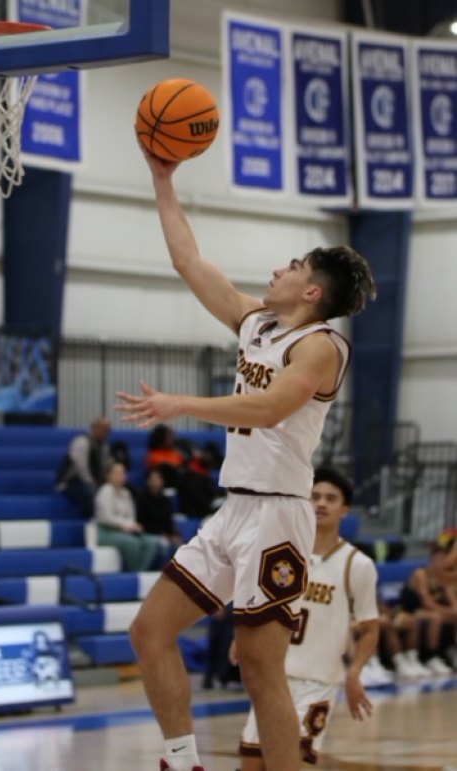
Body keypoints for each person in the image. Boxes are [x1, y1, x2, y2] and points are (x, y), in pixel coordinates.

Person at [114, 144, 376, 771]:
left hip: (278, 517)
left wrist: (182, 404)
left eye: (292, 265)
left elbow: (266, 410)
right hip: (235, 510)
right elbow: (188, 260)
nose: (278, 269)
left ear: (311, 290)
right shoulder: (257, 325)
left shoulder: (321, 347)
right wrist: (162, 178)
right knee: (149, 633)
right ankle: (182, 760)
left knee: (261, 672)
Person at [231, 467, 379, 769]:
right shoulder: (284, 554)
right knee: (251, 762)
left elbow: (370, 628)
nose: (321, 503)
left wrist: (354, 674)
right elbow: (260, 603)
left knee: (290, 764)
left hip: (316, 682)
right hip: (273, 677)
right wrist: (242, 637)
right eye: (315, 496)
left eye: (331, 498)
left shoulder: (358, 564)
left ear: (344, 510)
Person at [395, 541, 457, 674]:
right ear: (431, 559)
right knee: (436, 617)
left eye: (444, 559)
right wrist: (449, 612)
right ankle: (431, 657)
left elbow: (452, 601)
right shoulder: (421, 574)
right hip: (408, 611)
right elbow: (426, 602)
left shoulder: (443, 577)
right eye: (439, 558)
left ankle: (452, 651)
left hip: (427, 611)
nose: (442, 562)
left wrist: (453, 610)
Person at [95, 462, 161, 572]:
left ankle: (140, 571)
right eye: (117, 473)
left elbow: (131, 515)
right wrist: (125, 524)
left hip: (125, 530)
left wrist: (132, 525)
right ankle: (134, 572)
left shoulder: (126, 493)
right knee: (132, 543)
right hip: (106, 531)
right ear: (108, 475)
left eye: (123, 473)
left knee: (152, 541)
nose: (121, 476)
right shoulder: (105, 491)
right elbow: (106, 517)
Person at [55, 416, 112, 517]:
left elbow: (105, 466)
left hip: (93, 480)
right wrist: (94, 483)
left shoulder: (104, 445)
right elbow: (81, 468)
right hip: (72, 481)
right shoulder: (81, 441)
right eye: (104, 429)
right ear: (94, 427)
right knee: (91, 493)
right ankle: (90, 520)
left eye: (108, 430)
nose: (106, 432)